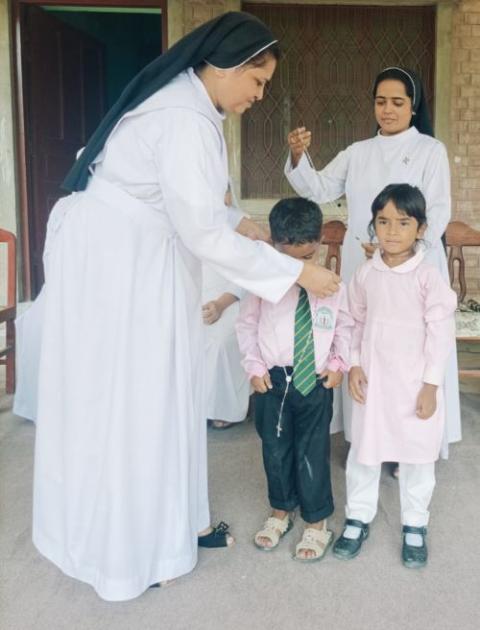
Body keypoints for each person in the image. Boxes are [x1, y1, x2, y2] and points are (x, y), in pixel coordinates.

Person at [31, 12, 341, 601]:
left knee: (163, 393)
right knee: (136, 400)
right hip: (123, 270)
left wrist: (237, 220)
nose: (259, 94)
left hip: (134, 258)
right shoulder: (183, 119)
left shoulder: (188, 109)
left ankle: (175, 524)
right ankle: (131, 551)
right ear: (225, 66)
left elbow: (187, 205)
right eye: (258, 80)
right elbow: (199, 230)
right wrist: (296, 269)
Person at [285, 66, 461, 459]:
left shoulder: (430, 151)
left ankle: (410, 447)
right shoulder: (357, 152)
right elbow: (318, 189)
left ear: (413, 107)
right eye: (380, 101)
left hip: (411, 269)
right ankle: (368, 438)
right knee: (364, 342)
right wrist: (299, 156)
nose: (388, 109)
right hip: (362, 265)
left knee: (409, 352)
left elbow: (439, 209)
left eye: (397, 102)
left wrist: (401, 247)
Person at [332, 184, 457, 568]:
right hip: (374, 379)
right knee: (365, 451)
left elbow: (440, 331)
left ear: (420, 229)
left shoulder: (428, 277)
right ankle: (358, 517)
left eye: (403, 223)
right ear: (373, 226)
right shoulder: (366, 273)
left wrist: (432, 385)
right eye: (383, 221)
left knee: (418, 454)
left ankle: (415, 523)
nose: (391, 231)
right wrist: (353, 363)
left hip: (415, 383)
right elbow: (352, 320)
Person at [236, 198, 353, 562]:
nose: (299, 267)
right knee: (275, 448)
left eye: (306, 258)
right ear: (274, 244)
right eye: (290, 259)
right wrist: (254, 367)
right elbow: (247, 325)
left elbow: (345, 327)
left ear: (318, 242)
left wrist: (338, 363)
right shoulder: (261, 286)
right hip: (272, 380)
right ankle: (281, 511)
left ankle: (317, 521)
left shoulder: (333, 285)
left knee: (312, 451)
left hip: (315, 381)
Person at [202, 264, 250, 430]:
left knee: (220, 342)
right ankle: (194, 406)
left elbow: (246, 271)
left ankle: (223, 408)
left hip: (229, 296)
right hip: (192, 293)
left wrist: (220, 304)